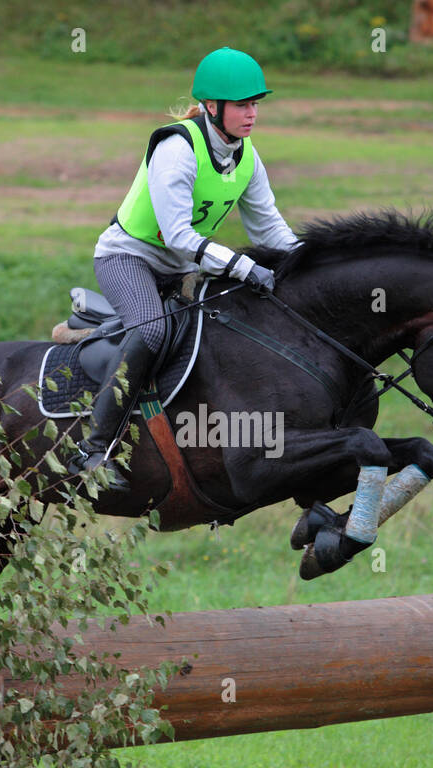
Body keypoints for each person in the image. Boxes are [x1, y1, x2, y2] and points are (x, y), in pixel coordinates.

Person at [70, 47, 299, 491]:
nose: (252, 114)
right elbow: (176, 235)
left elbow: (270, 226)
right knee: (152, 331)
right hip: (128, 259)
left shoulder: (246, 157)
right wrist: (241, 265)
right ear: (213, 107)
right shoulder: (177, 147)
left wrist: (310, 260)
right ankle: (94, 449)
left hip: (179, 271)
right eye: (242, 105)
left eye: (256, 104)